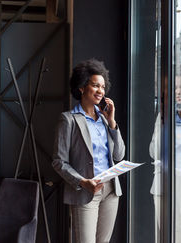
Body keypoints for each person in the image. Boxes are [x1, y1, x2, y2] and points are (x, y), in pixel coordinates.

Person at [52, 58, 125, 243]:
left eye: (102, 86)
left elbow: (119, 155)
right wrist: (83, 182)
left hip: (110, 190)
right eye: (95, 85)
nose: (100, 91)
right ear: (82, 87)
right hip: (85, 192)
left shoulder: (105, 119)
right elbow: (59, 162)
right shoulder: (68, 119)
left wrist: (112, 122)